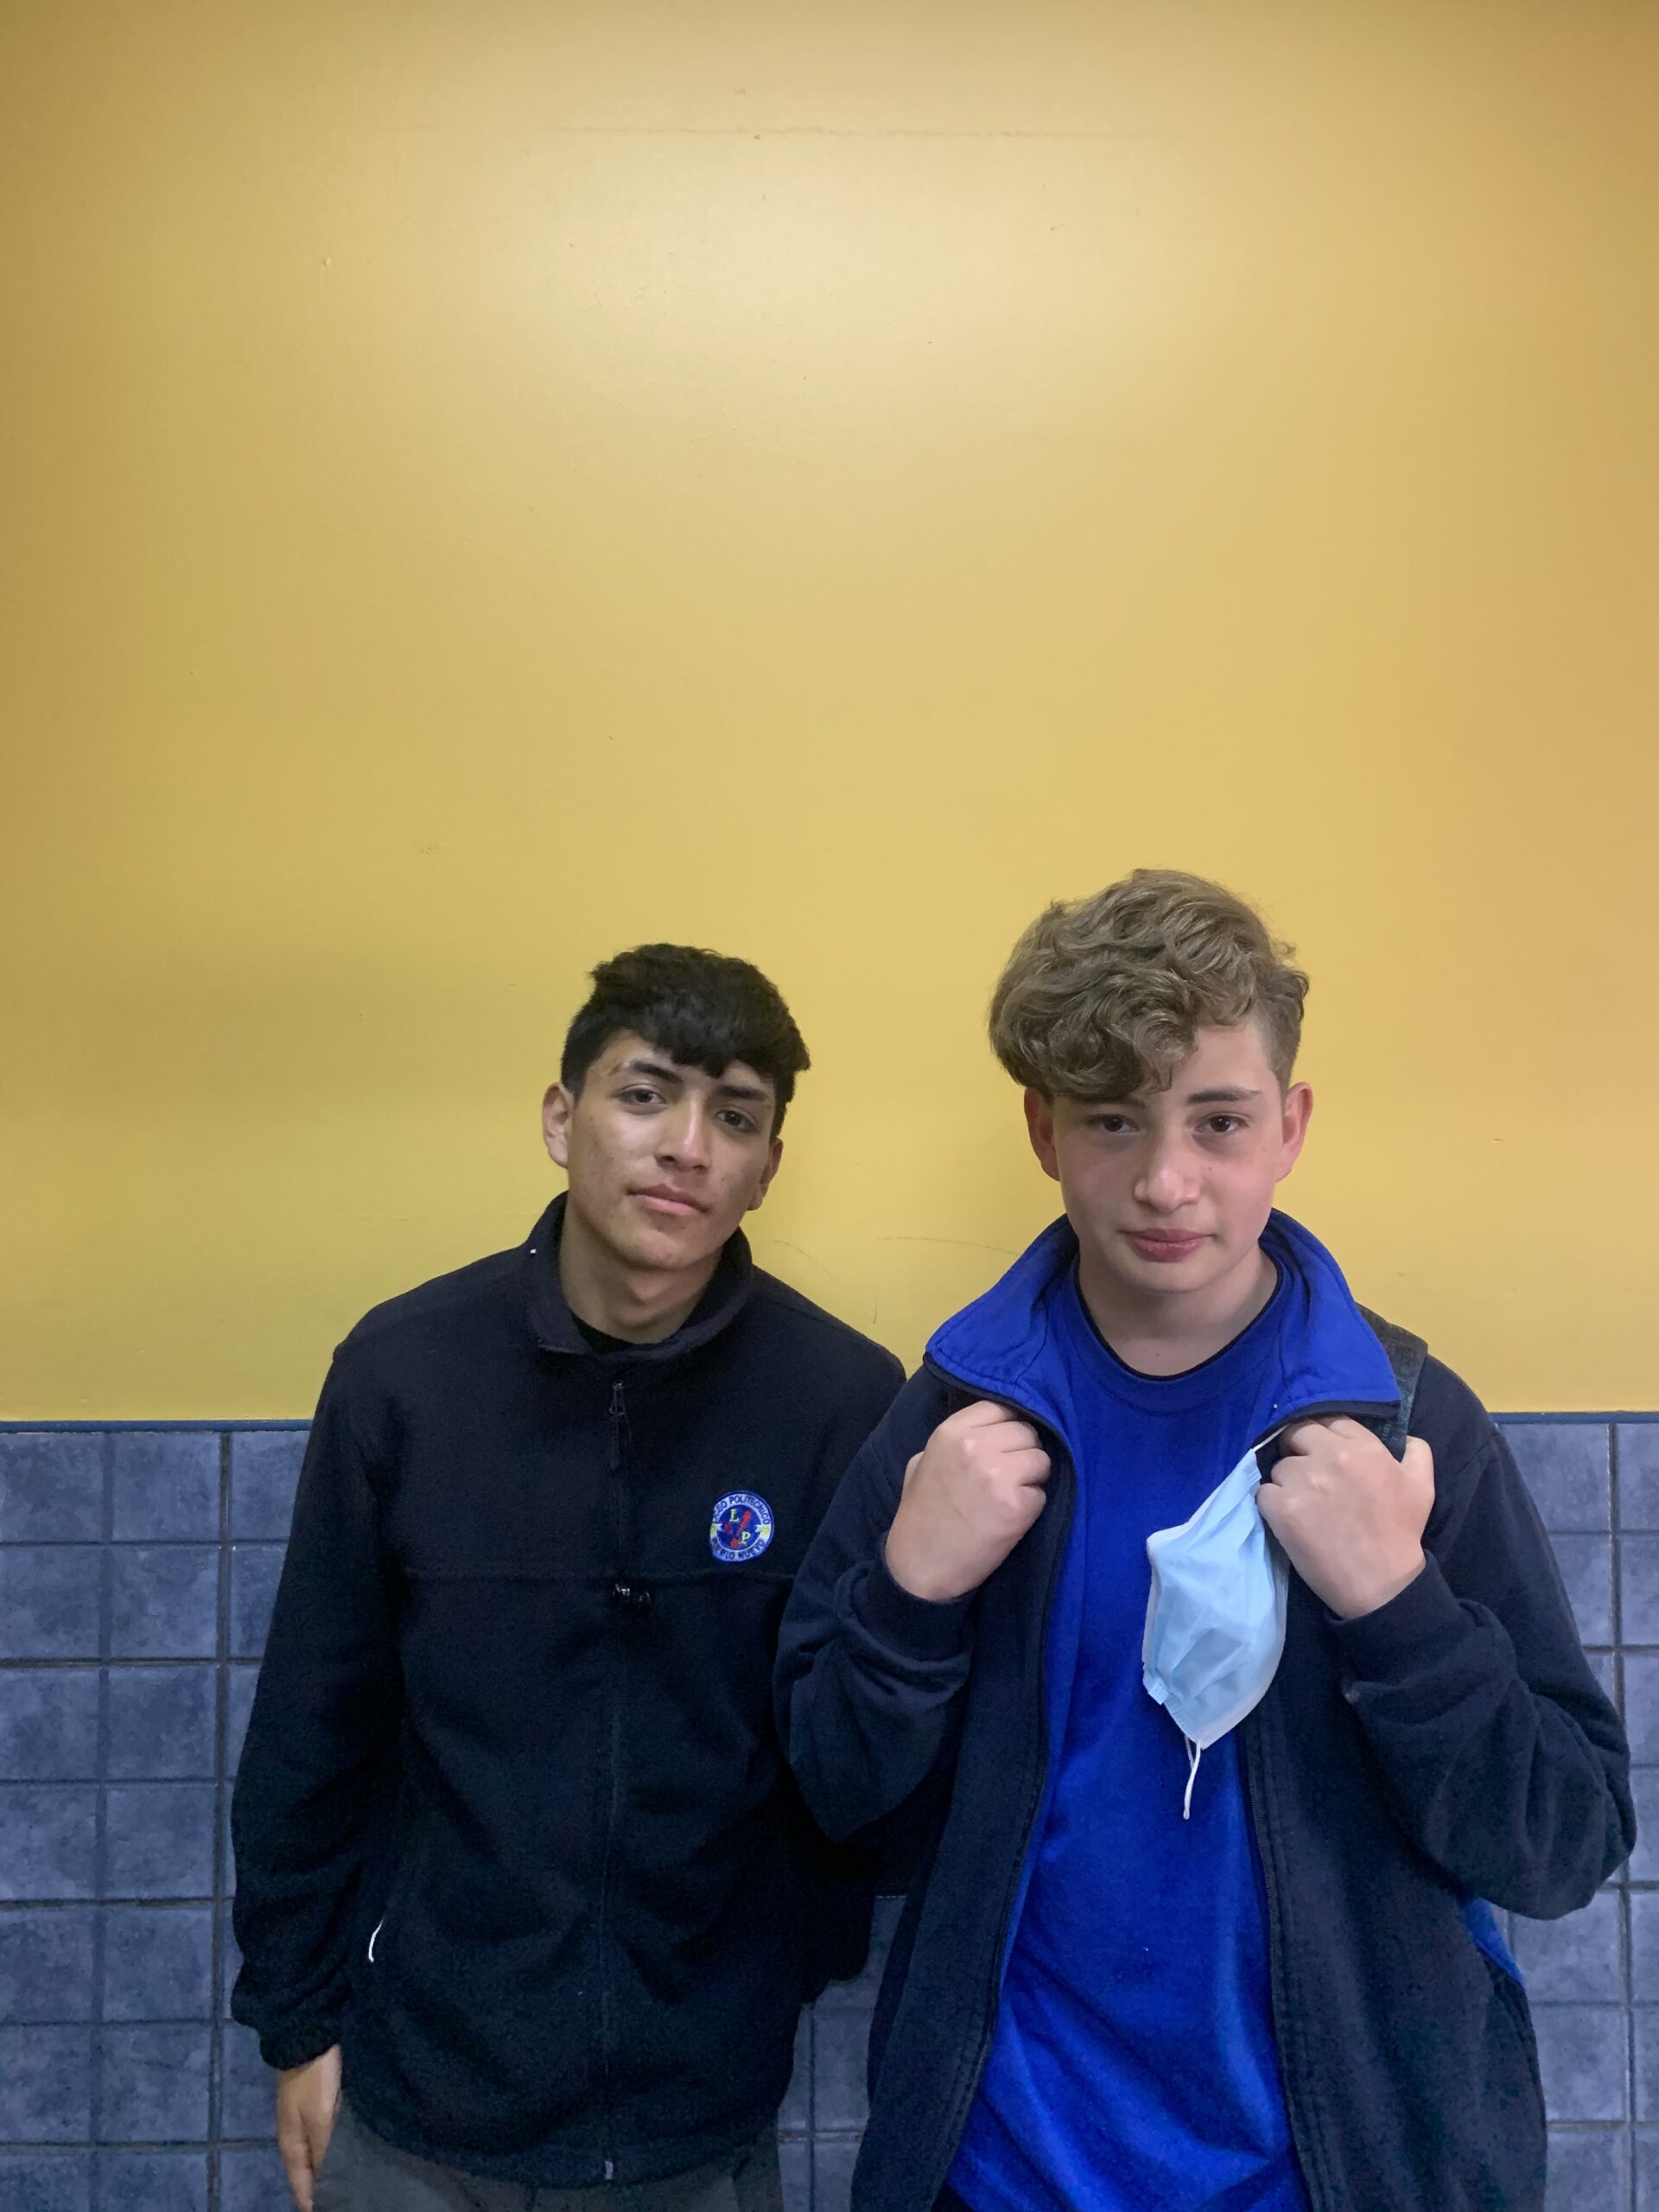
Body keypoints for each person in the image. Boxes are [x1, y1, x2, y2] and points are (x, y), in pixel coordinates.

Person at [775, 870, 1633, 2212]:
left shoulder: (1410, 1425)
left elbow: (1560, 1843)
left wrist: (1400, 1611)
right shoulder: (950, 1422)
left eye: (1218, 1122)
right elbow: (838, 1808)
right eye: (1113, 1120)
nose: (1166, 1182)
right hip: (1006, 2175)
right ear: (1043, 1129)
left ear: (1290, 1127)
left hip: (1334, 2178)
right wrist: (909, 1601)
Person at [233, 944, 904, 2212]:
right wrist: (296, 2021)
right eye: (645, 1096)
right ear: (561, 1119)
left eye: (736, 1117)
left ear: (767, 1167)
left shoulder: (843, 1399)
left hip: (701, 2114)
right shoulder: (403, 1375)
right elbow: (312, 1727)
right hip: (419, 2095)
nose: (687, 1147)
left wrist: (787, 1956)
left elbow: (854, 1746)